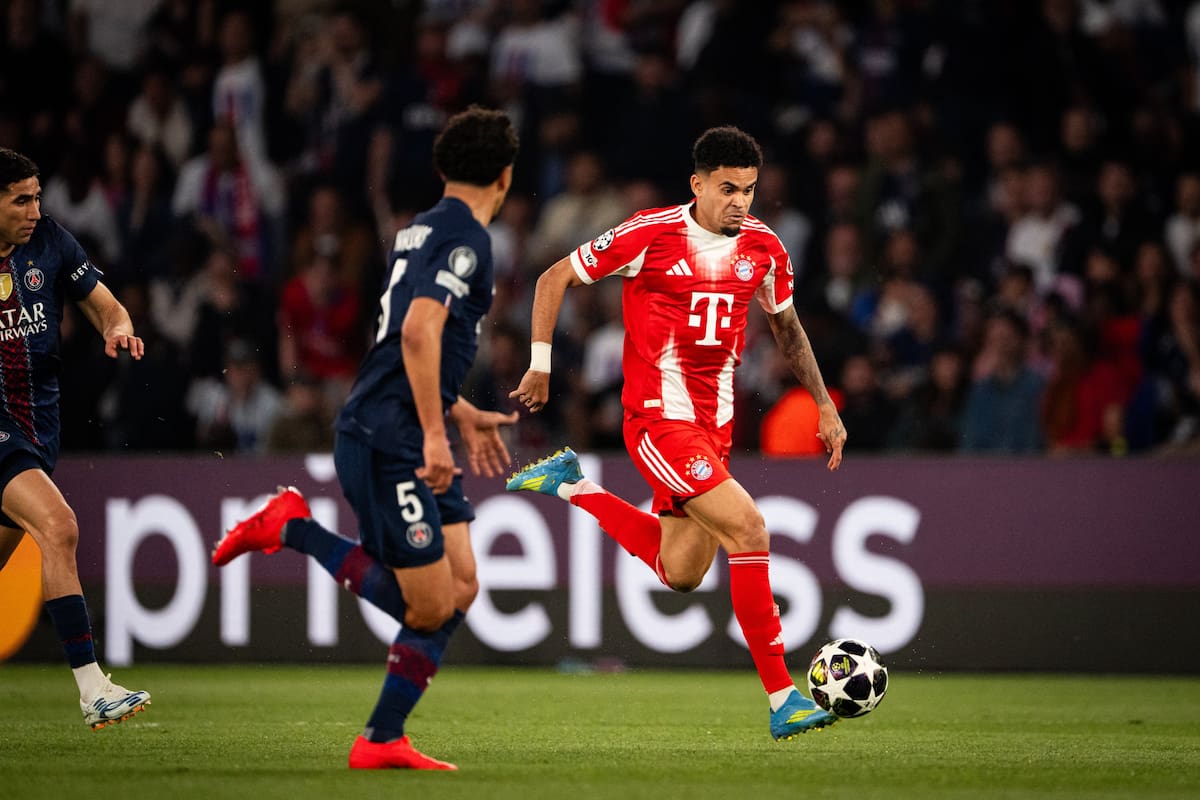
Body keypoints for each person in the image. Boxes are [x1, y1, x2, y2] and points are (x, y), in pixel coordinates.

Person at [506, 125, 848, 740]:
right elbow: (552, 277)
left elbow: (788, 331)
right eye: (727, 189)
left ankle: (572, 486)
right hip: (659, 421)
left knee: (682, 572)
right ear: (698, 185)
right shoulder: (651, 233)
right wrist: (540, 364)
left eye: (748, 189)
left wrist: (823, 403)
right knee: (749, 528)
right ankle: (782, 700)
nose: (740, 202)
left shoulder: (766, 249)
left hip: (713, 429)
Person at [211, 106, 520, 770]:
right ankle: (293, 526)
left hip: (403, 423)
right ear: (506, 175)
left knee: (461, 586)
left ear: (442, 171)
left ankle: (381, 740)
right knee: (430, 604)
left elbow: (402, 346)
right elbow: (415, 334)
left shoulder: (420, 229)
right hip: (391, 439)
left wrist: (455, 413)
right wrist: (438, 436)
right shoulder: (470, 240)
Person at [0, 147, 150, 729]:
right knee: (59, 527)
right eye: (20, 199)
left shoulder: (52, 244)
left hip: (38, 428)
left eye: (37, 197)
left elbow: (107, 307)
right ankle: (94, 690)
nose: (34, 209)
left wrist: (119, 329)